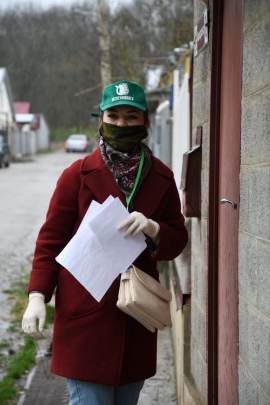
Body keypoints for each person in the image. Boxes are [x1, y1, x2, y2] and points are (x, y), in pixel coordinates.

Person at [22, 79, 188, 405]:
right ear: (100, 120)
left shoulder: (162, 178)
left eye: (130, 117)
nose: (121, 124)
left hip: (136, 316)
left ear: (145, 123)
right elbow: (50, 241)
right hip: (86, 318)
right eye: (113, 116)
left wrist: (155, 229)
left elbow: (177, 240)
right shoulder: (77, 175)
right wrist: (38, 295)